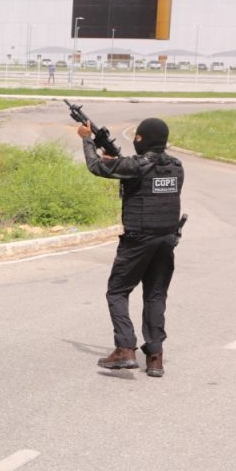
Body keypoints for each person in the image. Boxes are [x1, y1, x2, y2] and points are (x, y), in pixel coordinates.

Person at [78, 117, 184, 377]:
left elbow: (95, 166)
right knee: (155, 294)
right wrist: (113, 157)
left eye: (138, 137)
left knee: (117, 291)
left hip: (138, 240)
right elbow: (137, 171)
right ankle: (156, 357)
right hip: (166, 240)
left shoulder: (137, 165)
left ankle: (125, 349)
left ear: (142, 139)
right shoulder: (176, 166)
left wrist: (86, 139)